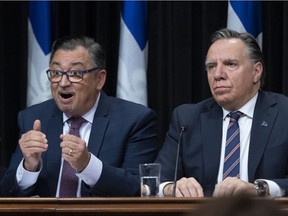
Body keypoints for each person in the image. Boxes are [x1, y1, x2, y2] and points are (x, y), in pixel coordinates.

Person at [0, 36, 157, 197]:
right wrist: (28, 167)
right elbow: (6, 194)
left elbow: (141, 189)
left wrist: (87, 165)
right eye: (56, 73)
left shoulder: (134, 120)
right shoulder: (32, 118)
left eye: (75, 73)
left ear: (100, 79)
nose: (63, 83)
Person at [155, 28, 288, 198]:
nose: (218, 75)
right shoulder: (187, 119)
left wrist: (260, 188)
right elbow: (156, 180)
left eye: (230, 64)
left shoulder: (284, 114)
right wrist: (171, 187)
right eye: (211, 66)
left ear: (256, 72)